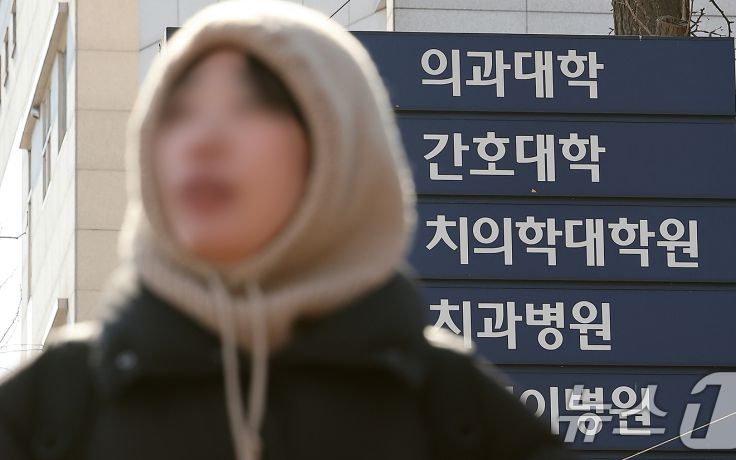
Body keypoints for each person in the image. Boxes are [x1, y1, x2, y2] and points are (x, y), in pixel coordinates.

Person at [0, 1, 579, 459]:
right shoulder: (47, 410)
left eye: (251, 106)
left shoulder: (460, 413)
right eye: (177, 113)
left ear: (341, 149)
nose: (202, 140)